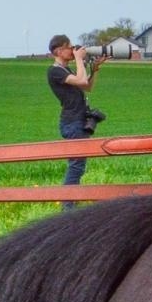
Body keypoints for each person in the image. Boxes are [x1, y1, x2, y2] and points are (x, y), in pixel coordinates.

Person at [48, 34, 107, 205]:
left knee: (78, 165)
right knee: (76, 166)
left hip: (77, 122)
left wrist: (94, 69)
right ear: (58, 50)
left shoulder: (66, 70)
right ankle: (68, 208)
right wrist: (80, 59)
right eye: (69, 47)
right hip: (72, 123)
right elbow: (81, 79)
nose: (72, 50)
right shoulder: (54, 71)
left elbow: (86, 86)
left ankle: (70, 204)